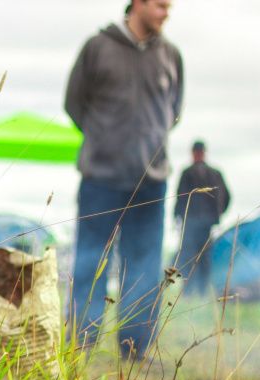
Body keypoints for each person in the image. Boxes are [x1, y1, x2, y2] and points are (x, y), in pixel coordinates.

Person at [65, 0, 183, 360]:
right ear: (139, 4)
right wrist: (106, 142)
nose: (166, 12)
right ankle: (80, 345)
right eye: (161, 5)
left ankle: (135, 349)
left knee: (145, 267)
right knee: (90, 262)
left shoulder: (171, 55)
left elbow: (174, 111)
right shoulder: (97, 48)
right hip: (101, 177)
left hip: (151, 181)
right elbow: (74, 103)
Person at [174, 140, 230, 296]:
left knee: (202, 259)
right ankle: (190, 292)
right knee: (190, 258)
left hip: (204, 224)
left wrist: (216, 215)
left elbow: (225, 198)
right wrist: (178, 217)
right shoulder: (193, 173)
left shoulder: (211, 173)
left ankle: (200, 291)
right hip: (192, 224)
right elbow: (180, 197)